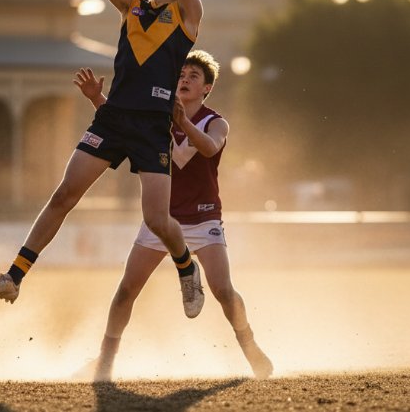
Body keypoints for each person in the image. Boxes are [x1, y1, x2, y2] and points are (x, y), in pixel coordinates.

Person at [0, 0, 209, 318]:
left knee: (158, 220)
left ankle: (185, 268)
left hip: (152, 127)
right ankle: (13, 278)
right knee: (64, 195)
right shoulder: (134, 7)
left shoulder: (189, 15)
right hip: (114, 117)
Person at [73, 51, 273, 381]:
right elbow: (122, 129)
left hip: (204, 219)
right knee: (126, 291)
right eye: (181, 74)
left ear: (207, 88)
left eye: (194, 75)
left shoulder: (215, 122)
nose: (184, 79)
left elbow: (204, 149)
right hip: (161, 220)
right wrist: (98, 100)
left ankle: (250, 347)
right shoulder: (157, 116)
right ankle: (105, 360)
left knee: (223, 289)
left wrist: (181, 123)